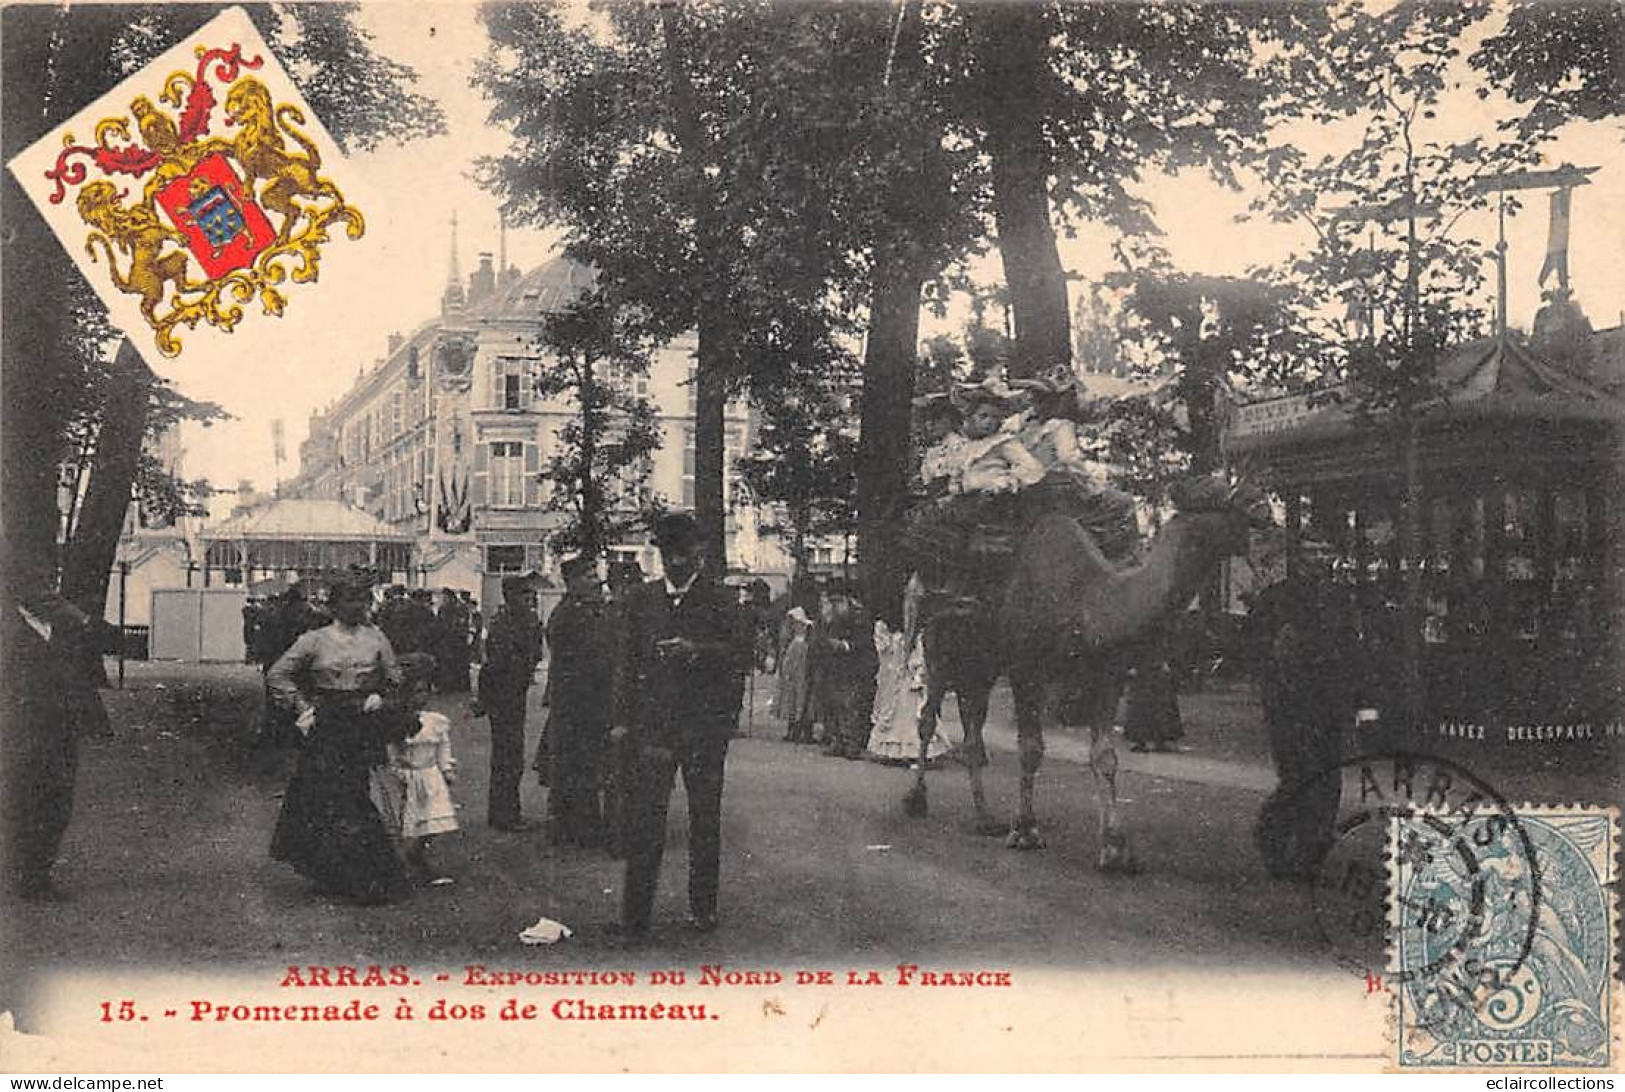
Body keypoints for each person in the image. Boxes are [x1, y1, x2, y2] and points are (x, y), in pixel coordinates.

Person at [611, 512, 750, 938]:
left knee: (704, 821)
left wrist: (696, 652)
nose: (676, 564)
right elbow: (625, 663)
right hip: (652, 730)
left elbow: (739, 659)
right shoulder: (640, 600)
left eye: (684, 556)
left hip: (703, 732)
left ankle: (702, 909)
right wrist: (620, 720)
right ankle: (635, 916)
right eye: (669, 555)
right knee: (645, 820)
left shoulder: (722, 601)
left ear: (699, 555)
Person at [267, 571, 409, 904]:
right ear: (334, 605)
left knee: (354, 793)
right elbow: (278, 674)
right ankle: (334, 870)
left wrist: (382, 695)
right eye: (349, 600)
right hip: (327, 722)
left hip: (360, 723)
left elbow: (397, 677)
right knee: (324, 794)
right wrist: (302, 705)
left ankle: (361, 874)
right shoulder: (314, 639)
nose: (357, 606)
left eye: (361, 600)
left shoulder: (376, 638)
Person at [1245, 536, 1360, 881]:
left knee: (1327, 778)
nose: (1320, 558)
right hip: (1290, 704)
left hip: (1328, 703)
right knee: (1298, 777)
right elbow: (1254, 648)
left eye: (1326, 551)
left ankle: (1310, 852)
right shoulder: (1277, 598)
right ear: (1299, 558)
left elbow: (1350, 650)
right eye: (1312, 551)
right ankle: (1274, 835)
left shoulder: (1339, 598)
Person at [4, 589, 94, 900]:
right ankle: (28, 876)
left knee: (50, 793)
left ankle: (33, 873)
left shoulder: (51, 626)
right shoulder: (16, 630)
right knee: (37, 793)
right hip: (29, 727)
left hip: (49, 724)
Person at [540, 555, 616, 848]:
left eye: (595, 575)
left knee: (581, 766)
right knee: (575, 766)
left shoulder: (583, 611)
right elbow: (591, 658)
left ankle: (578, 826)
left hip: (584, 702)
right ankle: (573, 829)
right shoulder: (569, 615)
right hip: (576, 703)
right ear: (573, 583)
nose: (596, 581)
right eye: (589, 576)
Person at [369, 652, 458, 885]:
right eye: (418, 691)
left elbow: (442, 746)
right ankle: (408, 861)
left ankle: (417, 852)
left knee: (436, 820)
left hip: (431, 777)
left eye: (426, 691)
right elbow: (392, 750)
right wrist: (397, 770)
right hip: (409, 775)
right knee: (407, 822)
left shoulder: (435, 721)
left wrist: (446, 768)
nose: (423, 696)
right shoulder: (400, 719)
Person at [475, 574, 544, 832]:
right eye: (525, 595)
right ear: (512, 596)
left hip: (510, 693)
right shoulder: (510, 623)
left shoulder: (508, 620)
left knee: (508, 756)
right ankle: (506, 815)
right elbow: (499, 663)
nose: (530, 600)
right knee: (508, 757)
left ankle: (504, 813)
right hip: (506, 694)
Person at [815, 590, 880, 760]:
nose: (832, 604)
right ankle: (837, 740)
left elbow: (864, 640)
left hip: (853, 666)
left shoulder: (858, 615)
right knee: (833, 704)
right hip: (832, 666)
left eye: (836, 600)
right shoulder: (827, 616)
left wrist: (844, 645)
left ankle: (852, 744)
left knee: (850, 705)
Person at [775, 607, 814, 743]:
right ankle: (792, 727)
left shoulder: (805, 640)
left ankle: (802, 728)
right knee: (791, 695)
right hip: (792, 667)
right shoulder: (791, 639)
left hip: (801, 667)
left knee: (801, 695)